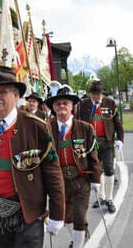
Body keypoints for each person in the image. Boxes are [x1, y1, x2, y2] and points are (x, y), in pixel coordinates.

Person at [0, 66, 65, 248]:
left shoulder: (36, 127)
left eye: (2, 92)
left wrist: (57, 213)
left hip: (29, 213)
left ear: (16, 96)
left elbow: (53, 173)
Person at [46, 86, 101, 248]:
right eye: (58, 103)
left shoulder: (85, 128)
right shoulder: (46, 129)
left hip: (80, 180)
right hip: (58, 182)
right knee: (68, 217)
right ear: (53, 108)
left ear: (72, 106)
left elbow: (94, 157)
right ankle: (79, 238)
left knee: (79, 216)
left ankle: (79, 245)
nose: (62, 106)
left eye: (65, 103)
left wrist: (96, 180)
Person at [77, 81, 124, 213]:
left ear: (102, 93)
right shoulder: (83, 105)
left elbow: (117, 123)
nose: (97, 97)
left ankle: (109, 199)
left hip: (107, 142)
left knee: (109, 169)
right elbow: (78, 124)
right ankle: (101, 197)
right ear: (90, 94)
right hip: (91, 144)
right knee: (97, 170)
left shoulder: (110, 103)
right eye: (94, 94)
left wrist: (120, 139)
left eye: (99, 94)